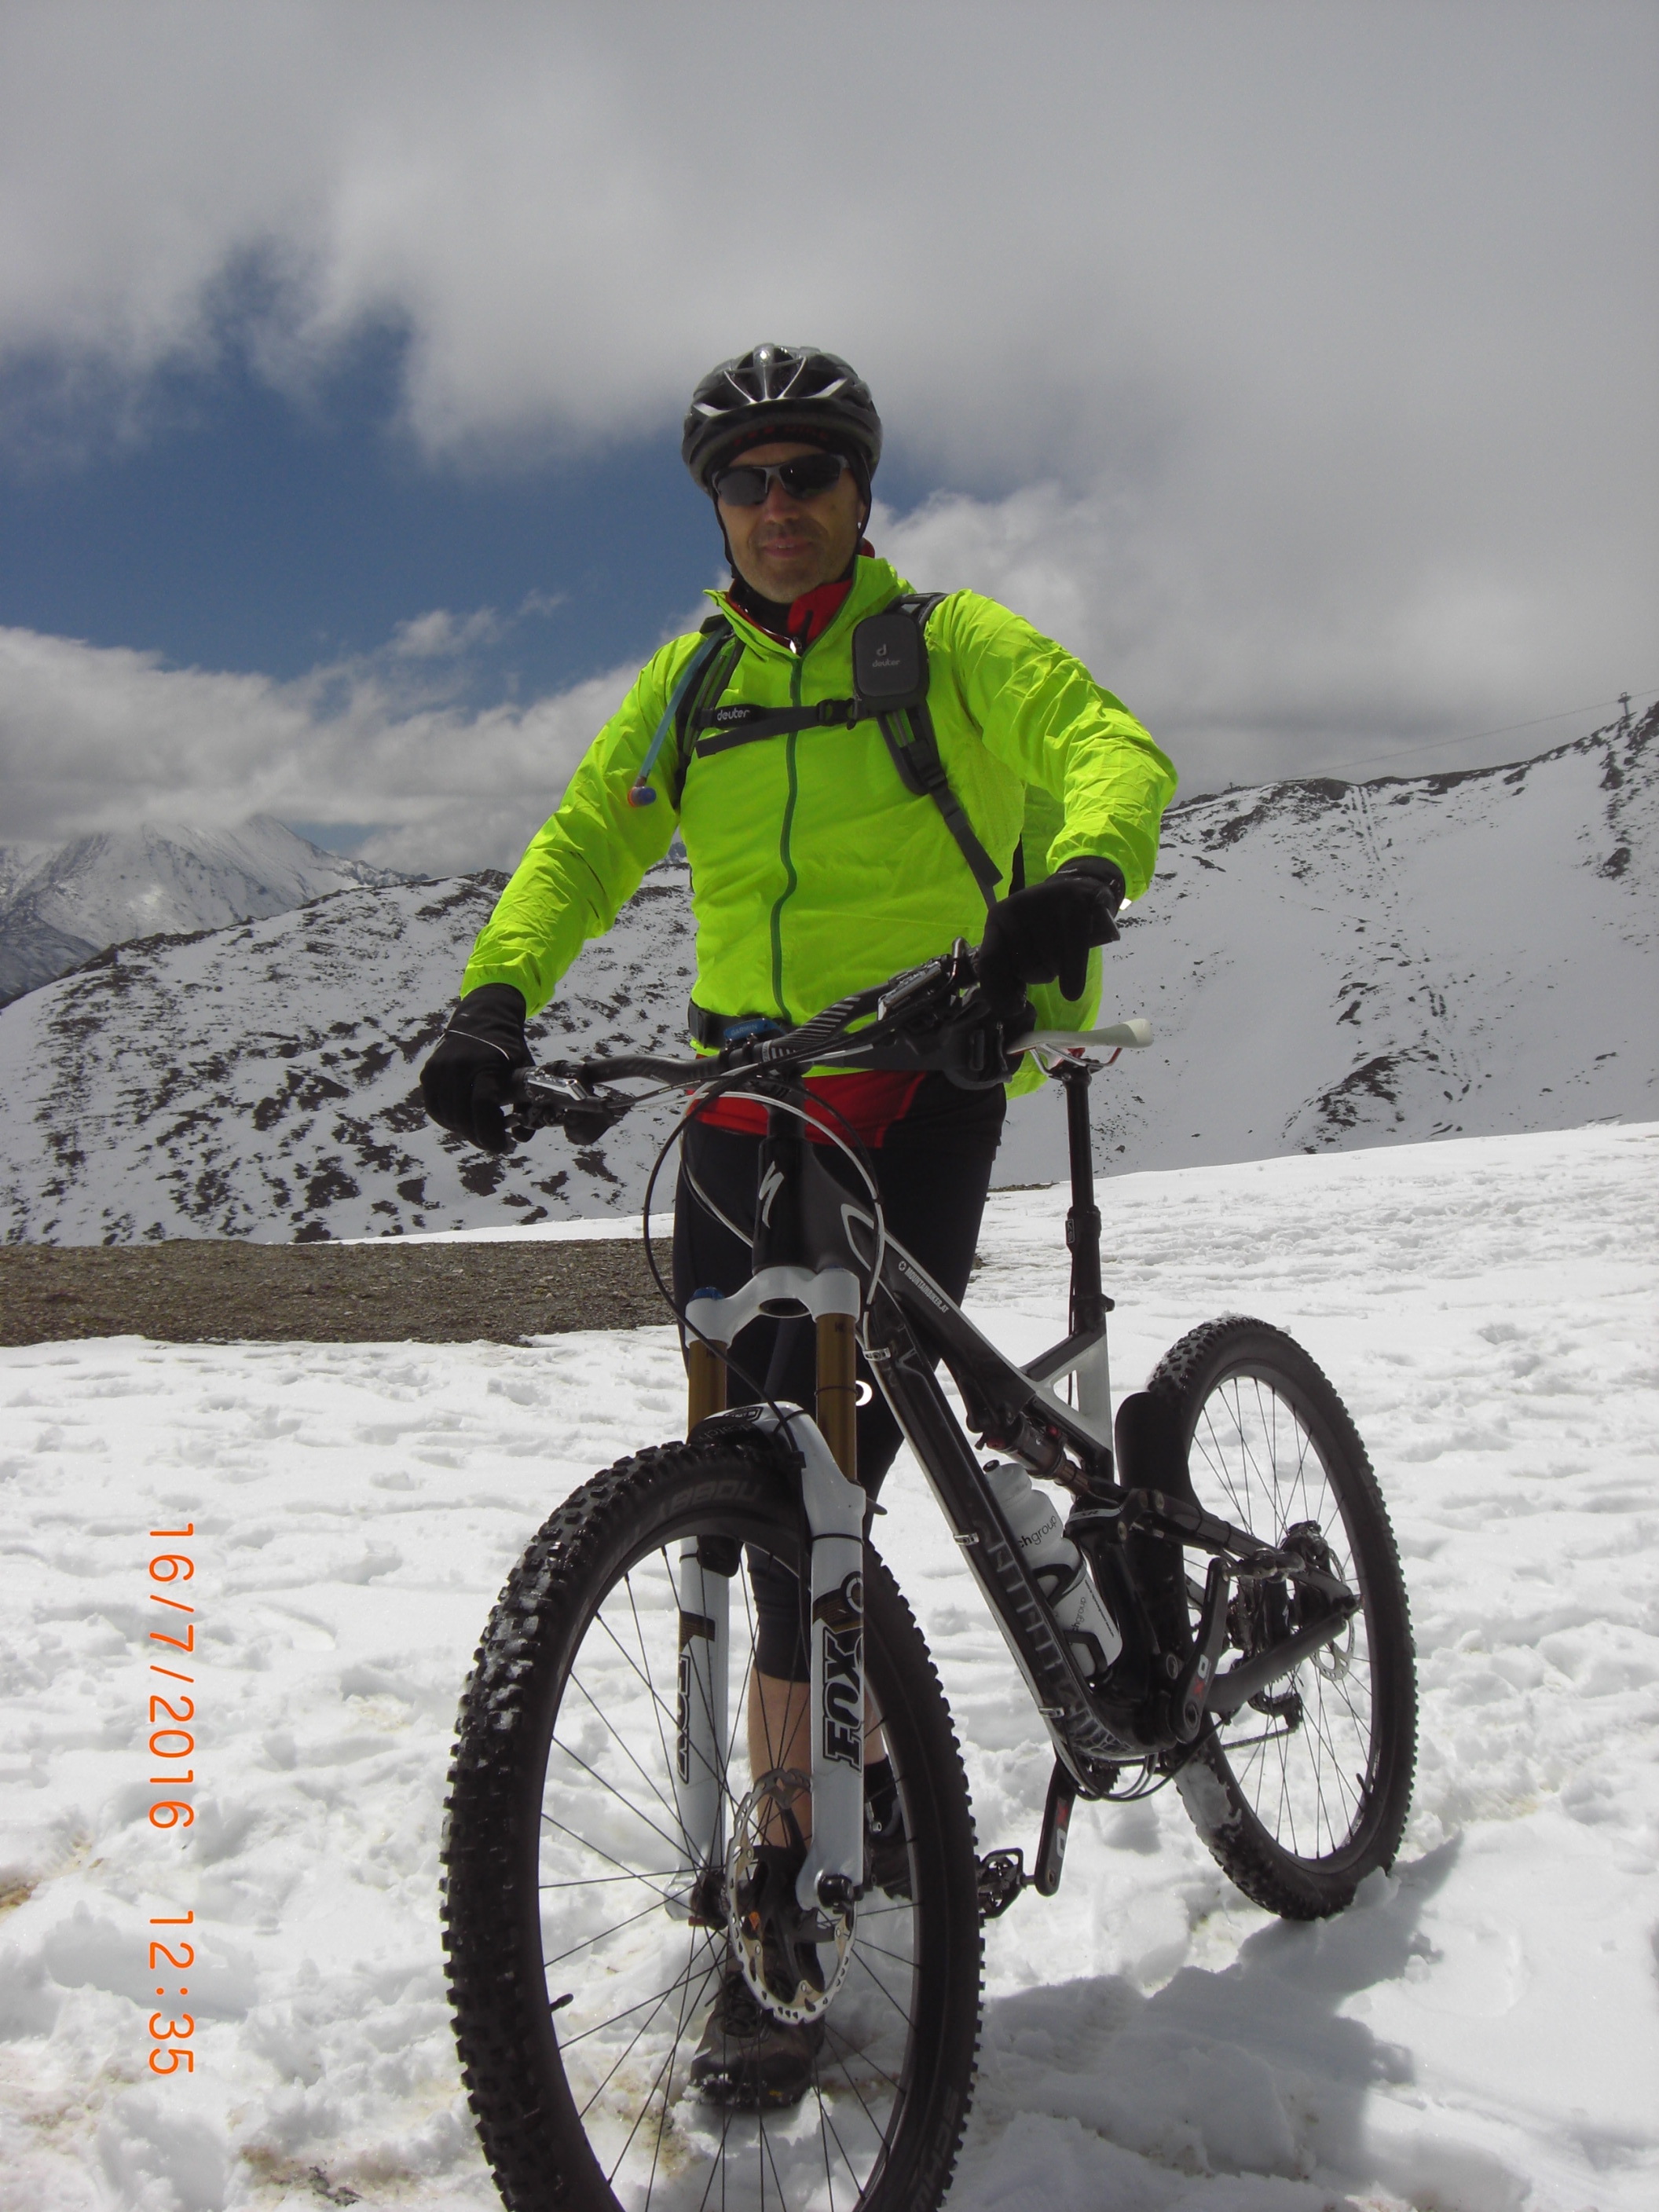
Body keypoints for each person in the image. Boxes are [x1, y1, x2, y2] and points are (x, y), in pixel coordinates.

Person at [420, 342, 1177, 2105]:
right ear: (717, 508)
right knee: (758, 1480)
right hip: (748, 1095)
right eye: (747, 482)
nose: (779, 507)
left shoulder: (950, 646)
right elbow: (584, 844)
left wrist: (1078, 879)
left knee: (825, 1481)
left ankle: (796, 1876)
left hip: (923, 1069)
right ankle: (842, 1811)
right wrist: (496, 999)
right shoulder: (691, 682)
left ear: (860, 491)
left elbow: (1107, 746)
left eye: (809, 475)